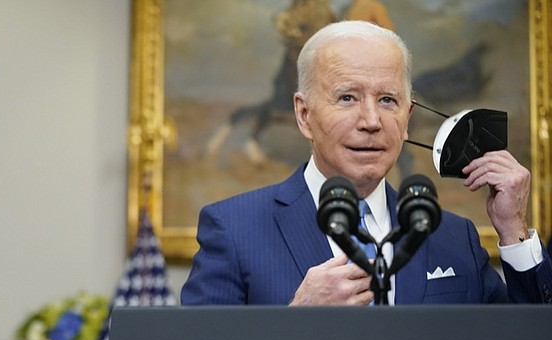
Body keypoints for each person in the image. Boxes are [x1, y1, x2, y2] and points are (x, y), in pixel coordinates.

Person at [181, 20, 552, 306]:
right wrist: (295, 317)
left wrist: (513, 229)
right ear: (304, 114)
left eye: (388, 100)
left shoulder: (455, 239)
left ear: (407, 118)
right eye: (347, 98)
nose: (371, 121)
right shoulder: (233, 229)